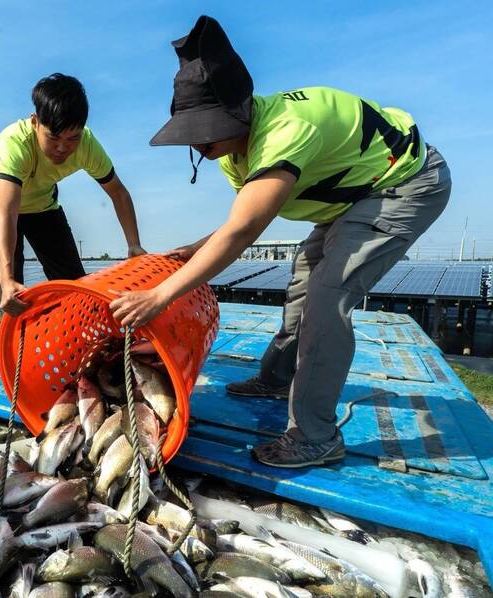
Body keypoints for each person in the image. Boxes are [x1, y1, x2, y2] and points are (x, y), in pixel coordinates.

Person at [109, 16, 451, 468]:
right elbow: (247, 215)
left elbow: (244, 229)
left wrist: (160, 295)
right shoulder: (232, 150)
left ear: (239, 113)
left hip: (401, 182)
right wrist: (192, 249)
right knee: (304, 281)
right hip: (347, 198)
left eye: (206, 131)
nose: (200, 144)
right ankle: (277, 378)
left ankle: (316, 436)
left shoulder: (286, 130)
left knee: (327, 300)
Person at [0, 73, 145, 315]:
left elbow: (118, 193)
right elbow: (7, 214)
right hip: (1, 206)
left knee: (75, 284)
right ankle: (12, 346)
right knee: (13, 289)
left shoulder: (87, 145)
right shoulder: (13, 142)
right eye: (53, 137)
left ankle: (81, 343)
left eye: (72, 138)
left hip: (43, 206)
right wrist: (6, 280)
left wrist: (134, 245)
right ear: (35, 122)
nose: (62, 148)